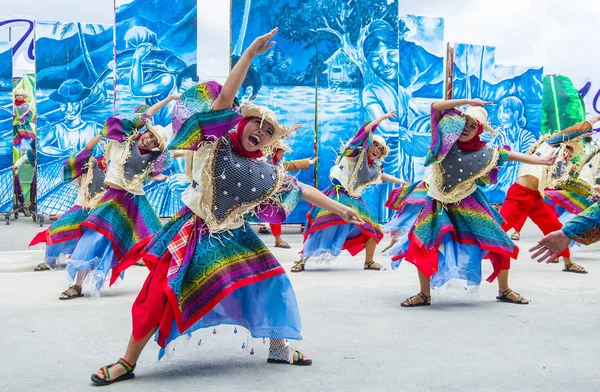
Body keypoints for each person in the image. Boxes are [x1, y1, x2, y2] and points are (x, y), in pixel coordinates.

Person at [91, 29, 365, 386]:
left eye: (269, 131)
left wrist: (340, 209)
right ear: (242, 122)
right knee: (157, 293)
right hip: (192, 230)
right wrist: (248, 55)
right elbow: (224, 101)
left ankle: (279, 346)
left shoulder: (265, 171)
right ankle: (127, 362)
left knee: (271, 282)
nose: (262, 132)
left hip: (235, 235)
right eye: (257, 124)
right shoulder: (215, 142)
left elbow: (301, 187)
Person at [388, 99, 556, 307]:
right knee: (422, 242)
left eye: (473, 125)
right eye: (465, 122)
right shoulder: (444, 142)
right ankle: (424, 294)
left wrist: (541, 161)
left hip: (470, 202)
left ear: (479, 131)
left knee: (500, 241)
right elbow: (435, 108)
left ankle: (504, 290)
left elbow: (510, 156)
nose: (467, 128)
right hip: (438, 203)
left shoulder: (485, 152)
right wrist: (468, 101)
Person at [57, 95, 175, 300]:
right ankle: (77, 285)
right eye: (149, 135)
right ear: (144, 131)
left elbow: (174, 153)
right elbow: (143, 116)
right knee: (93, 237)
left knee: (157, 238)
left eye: (154, 141)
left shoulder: (153, 157)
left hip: (135, 202)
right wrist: (169, 98)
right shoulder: (123, 140)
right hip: (112, 200)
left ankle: (171, 283)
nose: (149, 139)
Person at [292, 111, 407, 273]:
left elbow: (383, 175)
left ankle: (369, 261)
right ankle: (301, 260)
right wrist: (381, 118)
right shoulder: (354, 152)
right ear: (368, 144)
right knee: (320, 225)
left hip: (354, 199)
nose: (377, 149)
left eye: (381, 149)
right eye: (375, 145)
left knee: (373, 228)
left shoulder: (373, 168)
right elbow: (365, 132)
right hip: (336, 195)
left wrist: (402, 182)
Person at [496, 118, 594, 298]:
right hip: (520, 195)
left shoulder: (557, 161)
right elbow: (572, 131)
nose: (569, 155)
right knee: (497, 236)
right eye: (569, 149)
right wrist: (594, 119)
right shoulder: (547, 147)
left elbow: (568, 182)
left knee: (557, 229)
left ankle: (568, 262)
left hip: (535, 198)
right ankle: (502, 288)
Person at [29, 136, 107, 271]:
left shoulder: (119, 169)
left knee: (95, 239)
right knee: (57, 229)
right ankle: (50, 260)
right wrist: (101, 134)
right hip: (82, 206)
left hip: (101, 211)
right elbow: (87, 148)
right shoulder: (92, 162)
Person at [261, 141, 317, 248]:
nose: (283, 155)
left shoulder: (279, 164)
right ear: (275, 152)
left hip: (272, 196)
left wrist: (307, 162)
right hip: (259, 195)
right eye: (281, 152)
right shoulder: (265, 164)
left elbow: (290, 165)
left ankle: (278, 239)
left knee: (275, 213)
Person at [38, 79, 103, 158]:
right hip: (68, 168)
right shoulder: (59, 128)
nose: (69, 109)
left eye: (74, 104)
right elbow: (41, 146)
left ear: (81, 103)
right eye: (64, 105)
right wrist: (63, 152)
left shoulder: (95, 128)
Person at [12, 88, 36, 154]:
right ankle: (18, 155)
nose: (19, 96)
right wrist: (15, 117)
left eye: (21, 95)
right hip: (15, 127)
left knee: (27, 140)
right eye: (17, 95)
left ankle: (27, 155)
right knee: (17, 142)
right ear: (15, 96)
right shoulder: (12, 106)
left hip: (25, 127)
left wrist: (24, 119)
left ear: (23, 96)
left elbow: (31, 115)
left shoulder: (27, 105)